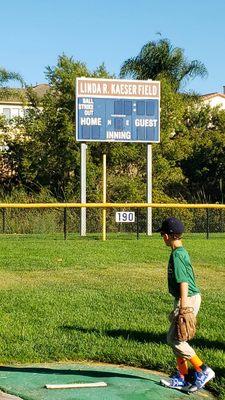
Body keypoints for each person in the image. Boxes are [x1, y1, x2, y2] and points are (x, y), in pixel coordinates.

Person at [158, 217, 215, 392]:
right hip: (185, 298)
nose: (162, 237)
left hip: (188, 298)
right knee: (173, 338)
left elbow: (184, 282)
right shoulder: (178, 252)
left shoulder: (178, 255)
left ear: (168, 235)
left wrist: (183, 307)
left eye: (162, 234)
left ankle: (203, 370)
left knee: (176, 340)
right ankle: (182, 377)